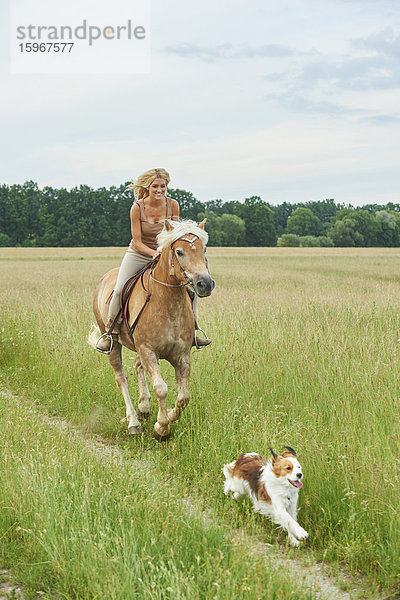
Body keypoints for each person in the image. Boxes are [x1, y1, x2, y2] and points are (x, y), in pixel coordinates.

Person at [95, 168, 210, 353]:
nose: (159, 190)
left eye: (163, 186)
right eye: (155, 186)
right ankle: (110, 333)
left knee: (191, 287)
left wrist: (164, 253)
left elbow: (175, 234)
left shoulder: (173, 204)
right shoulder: (137, 208)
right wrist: (152, 253)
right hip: (139, 253)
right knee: (119, 289)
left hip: (165, 254)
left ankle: (194, 330)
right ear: (147, 187)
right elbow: (138, 241)